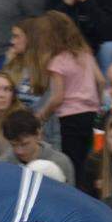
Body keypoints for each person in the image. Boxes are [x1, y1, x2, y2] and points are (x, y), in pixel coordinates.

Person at [34, 11, 103, 194]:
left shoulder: (57, 62)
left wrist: (41, 116)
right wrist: (98, 104)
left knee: (73, 164)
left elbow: (57, 98)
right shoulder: (86, 54)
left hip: (70, 119)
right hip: (91, 115)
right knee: (89, 164)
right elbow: (101, 81)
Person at [1, 107, 76, 184]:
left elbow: (70, 194)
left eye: (25, 144)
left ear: (38, 134)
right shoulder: (3, 164)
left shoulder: (61, 162)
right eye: (13, 145)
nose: (19, 151)